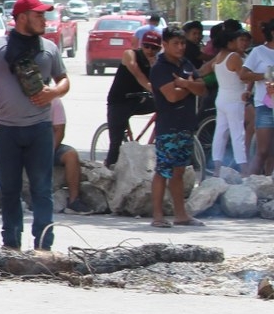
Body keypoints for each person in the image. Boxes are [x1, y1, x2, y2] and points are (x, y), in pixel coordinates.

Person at [0, 0, 70, 251]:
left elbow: (64, 79)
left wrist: (54, 92)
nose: (44, 20)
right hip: (7, 130)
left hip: (39, 129)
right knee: (9, 190)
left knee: (41, 190)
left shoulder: (49, 48)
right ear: (22, 17)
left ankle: (44, 246)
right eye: (38, 15)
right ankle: (11, 246)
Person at [147, 26, 208, 226]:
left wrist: (185, 84)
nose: (180, 47)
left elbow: (202, 89)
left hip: (186, 125)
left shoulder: (187, 64)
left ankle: (181, 214)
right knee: (163, 170)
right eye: (176, 43)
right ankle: (157, 216)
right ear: (165, 45)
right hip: (168, 127)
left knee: (179, 170)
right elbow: (171, 96)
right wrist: (187, 86)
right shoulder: (160, 68)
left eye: (182, 43)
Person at [105, 28, 159, 166]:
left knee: (163, 107)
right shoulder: (130, 54)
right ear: (141, 45)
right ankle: (108, 169)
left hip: (138, 99)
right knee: (115, 145)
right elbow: (138, 75)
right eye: (147, 46)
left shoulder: (156, 62)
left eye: (154, 48)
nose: (150, 50)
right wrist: (154, 89)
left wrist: (154, 66)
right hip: (119, 101)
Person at [208, 21, 255, 172]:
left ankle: (216, 168)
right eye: (235, 40)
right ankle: (244, 169)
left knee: (220, 133)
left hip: (221, 98)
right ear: (229, 42)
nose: (238, 43)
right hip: (235, 100)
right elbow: (244, 76)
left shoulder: (219, 57)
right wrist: (260, 76)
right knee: (237, 135)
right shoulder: (234, 57)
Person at [245, 20, 274, 176]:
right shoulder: (258, 52)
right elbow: (244, 74)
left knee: (272, 152)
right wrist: (264, 76)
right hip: (265, 105)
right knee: (262, 150)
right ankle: (249, 184)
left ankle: (268, 187)